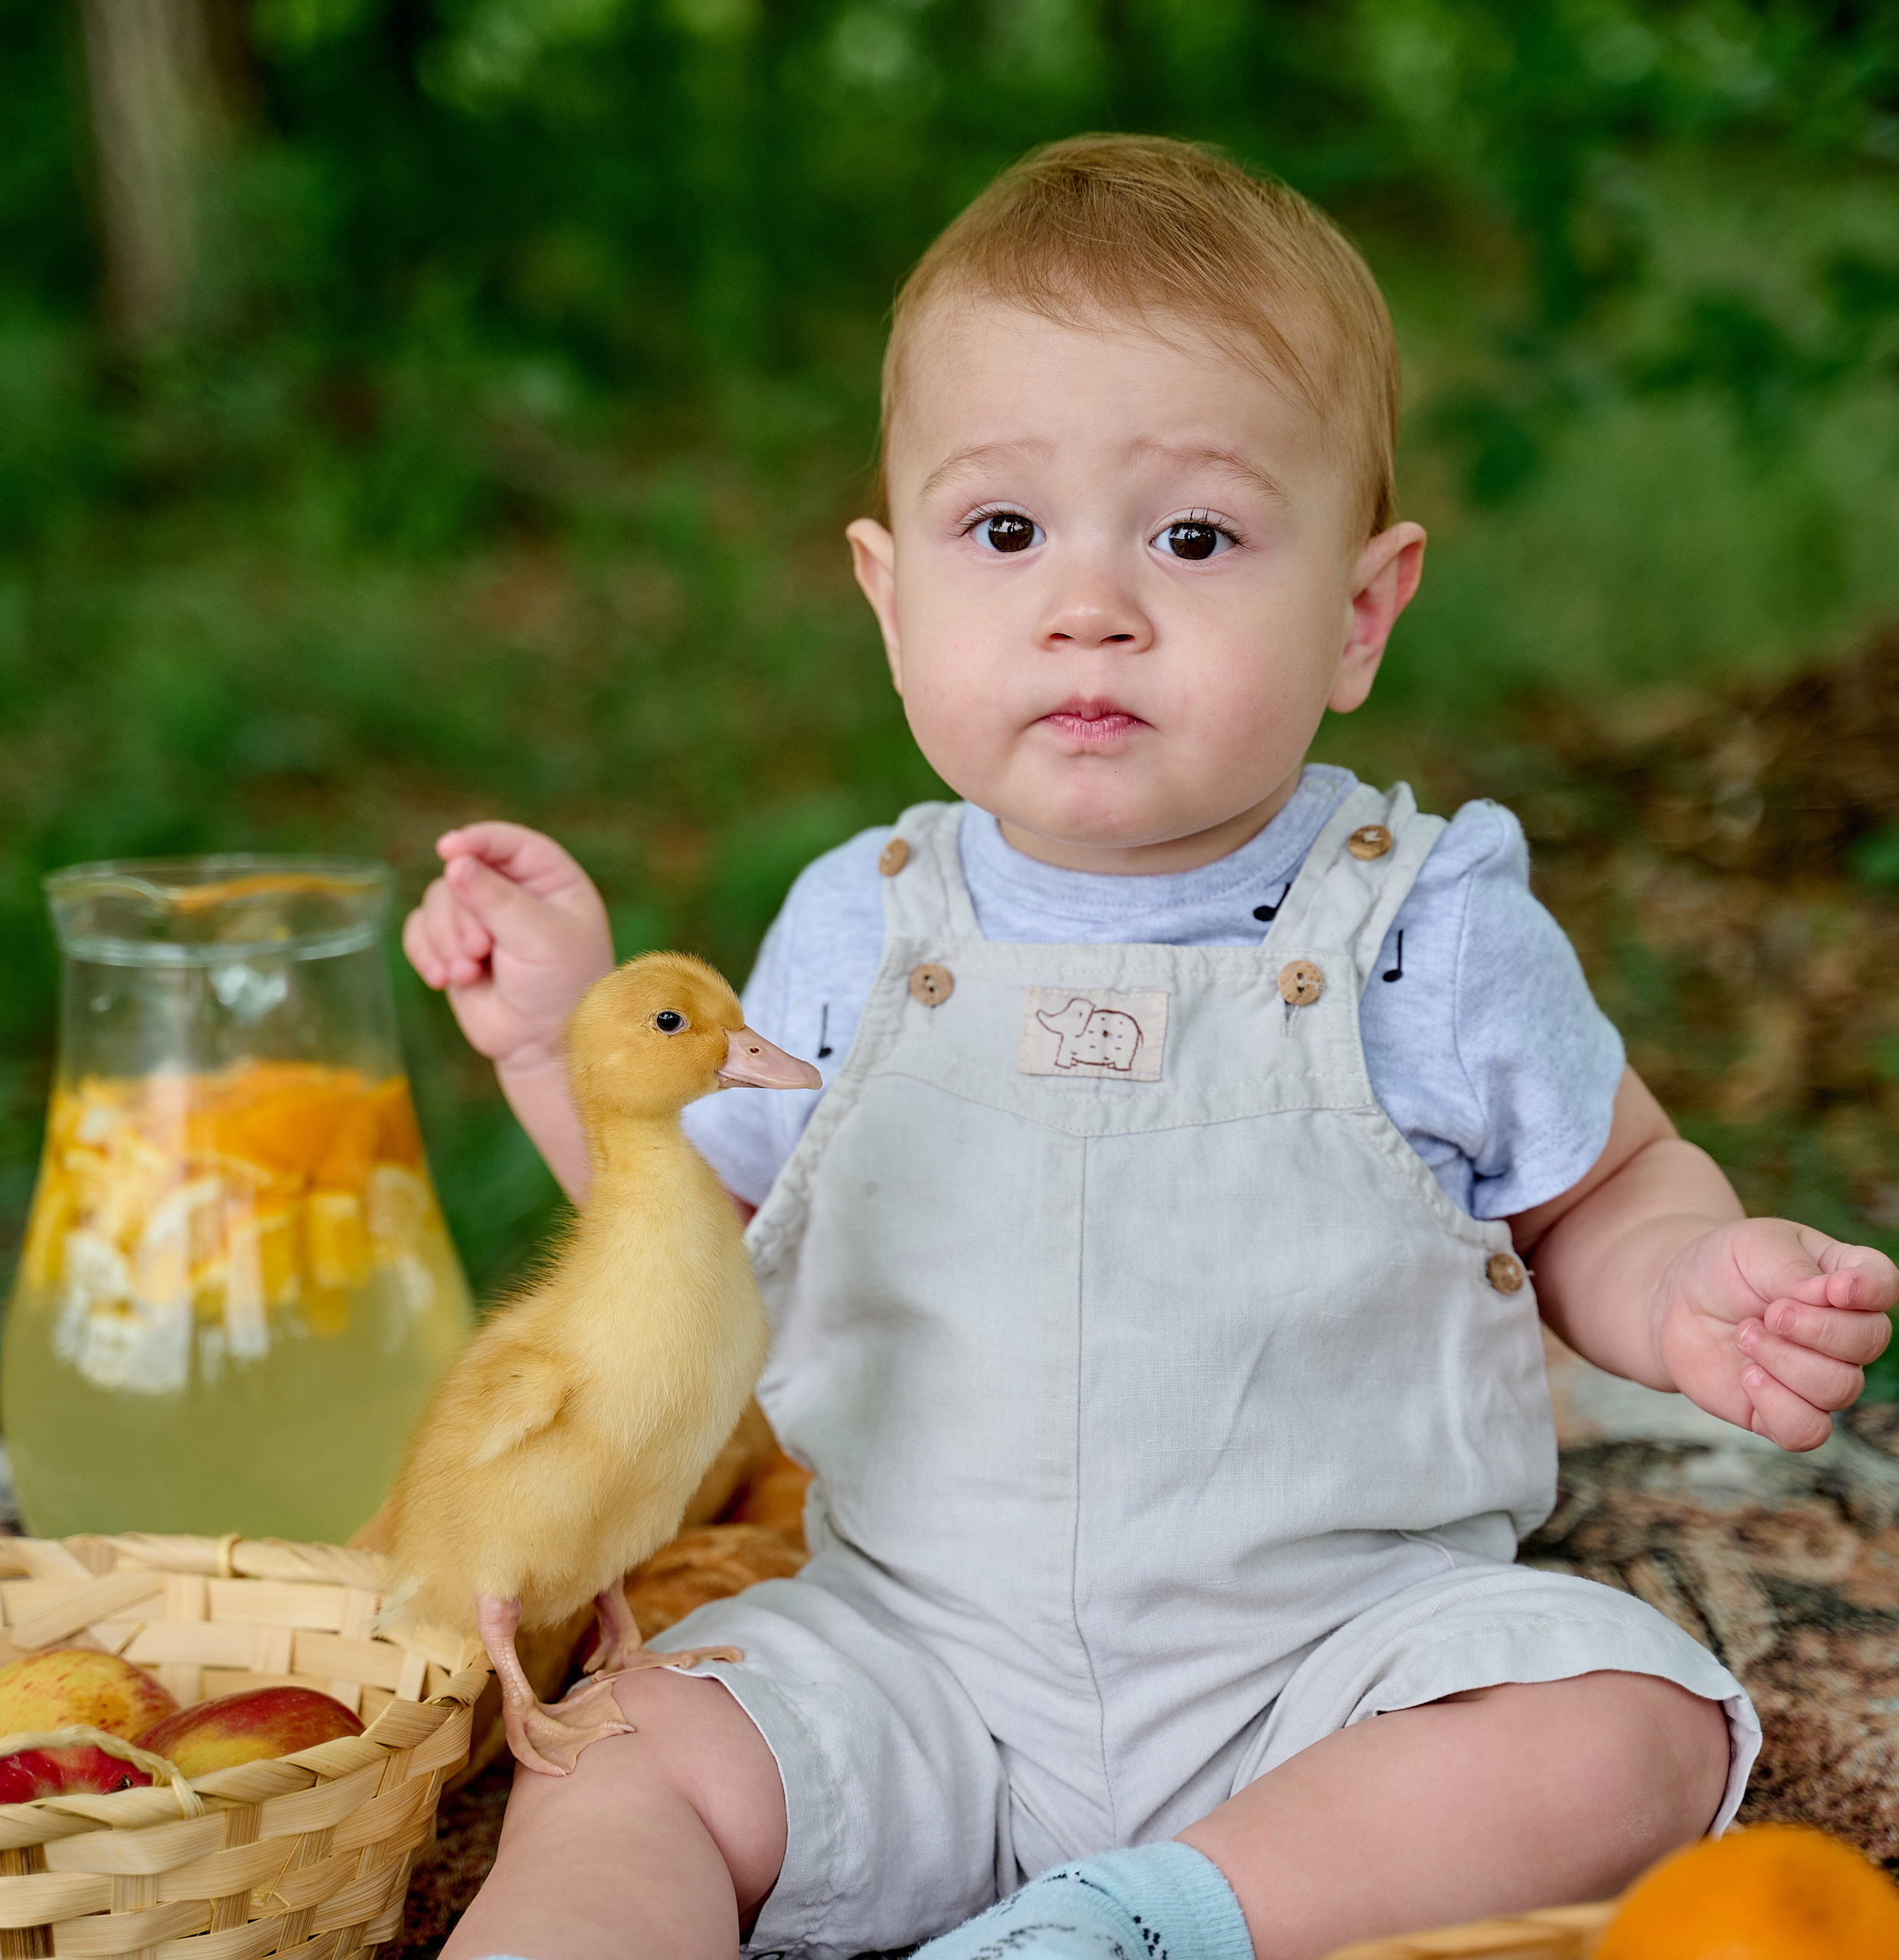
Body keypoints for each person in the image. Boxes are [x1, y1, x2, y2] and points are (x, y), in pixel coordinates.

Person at [403, 136, 1896, 1960]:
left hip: (1339, 1660)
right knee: (622, 1749)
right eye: (1003, 530)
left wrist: (1689, 1289)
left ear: (1358, 608)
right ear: (887, 595)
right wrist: (561, 1043)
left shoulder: (1422, 923)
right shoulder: (858, 928)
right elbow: (677, 1242)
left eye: (1191, 536)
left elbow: (1600, 1193)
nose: (1088, 602)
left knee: (1625, 1730)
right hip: (910, 1649)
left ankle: (1138, 1920)